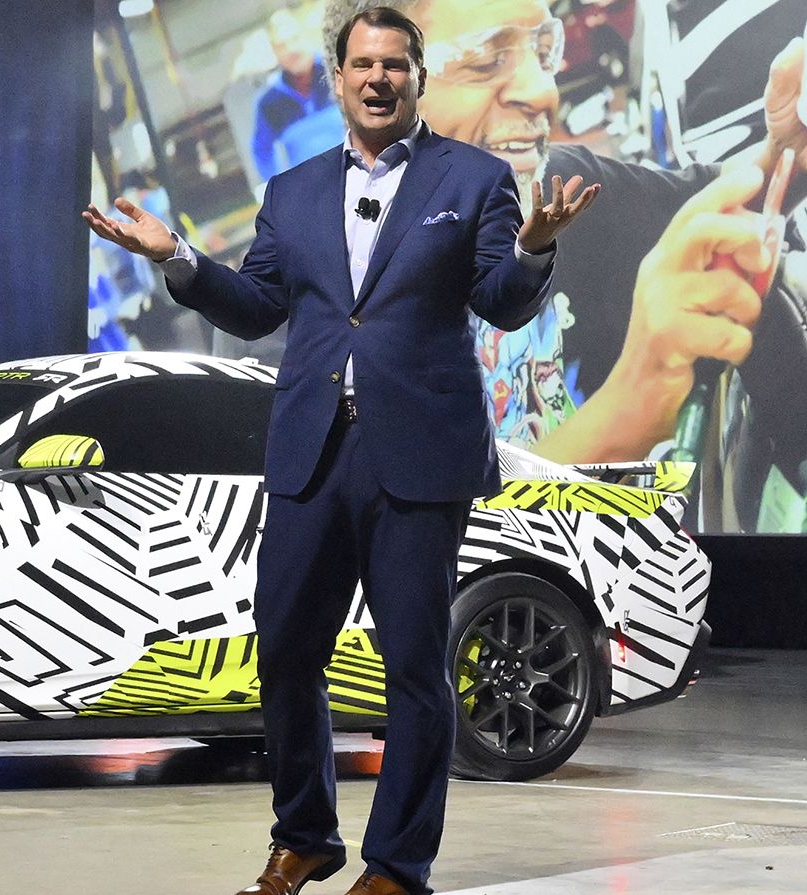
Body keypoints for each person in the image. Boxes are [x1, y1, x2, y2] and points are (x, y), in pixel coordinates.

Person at [84, 8, 597, 895]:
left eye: (395, 64)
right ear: (339, 78)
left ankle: (397, 864)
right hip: (313, 453)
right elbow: (257, 307)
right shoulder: (292, 191)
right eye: (363, 64)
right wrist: (181, 260)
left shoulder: (472, 177)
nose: (378, 79)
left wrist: (532, 249)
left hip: (418, 457)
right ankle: (305, 836)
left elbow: (502, 302)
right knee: (285, 651)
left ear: (418, 78)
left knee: (413, 670)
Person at [321, 0, 807, 468]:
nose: (542, 91)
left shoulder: (564, 194)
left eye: (542, 51)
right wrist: (637, 398)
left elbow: (716, 202)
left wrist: (787, 146)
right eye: (485, 61)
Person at [253, 9, 341, 180]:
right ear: (274, 51)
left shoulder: (337, 72)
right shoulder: (269, 104)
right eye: (282, 45)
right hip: (312, 190)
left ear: (308, 37)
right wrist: (280, 188)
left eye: (295, 39)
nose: (291, 49)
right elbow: (261, 151)